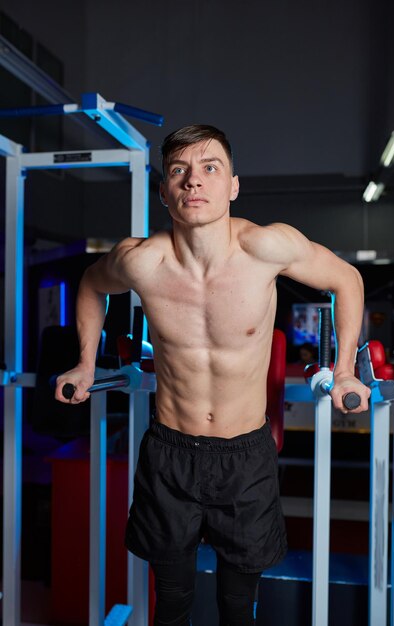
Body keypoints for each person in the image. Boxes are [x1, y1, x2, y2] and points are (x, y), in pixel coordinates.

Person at [55, 125, 370, 625]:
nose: (193, 182)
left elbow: (346, 279)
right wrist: (86, 361)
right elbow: (92, 284)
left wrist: (346, 368)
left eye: (209, 169)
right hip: (169, 452)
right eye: (179, 172)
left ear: (233, 185)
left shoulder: (266, 247)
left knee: (237, 606)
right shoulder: (142, 261)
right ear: (164, 192)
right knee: (173, 601)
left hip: (244, 453)